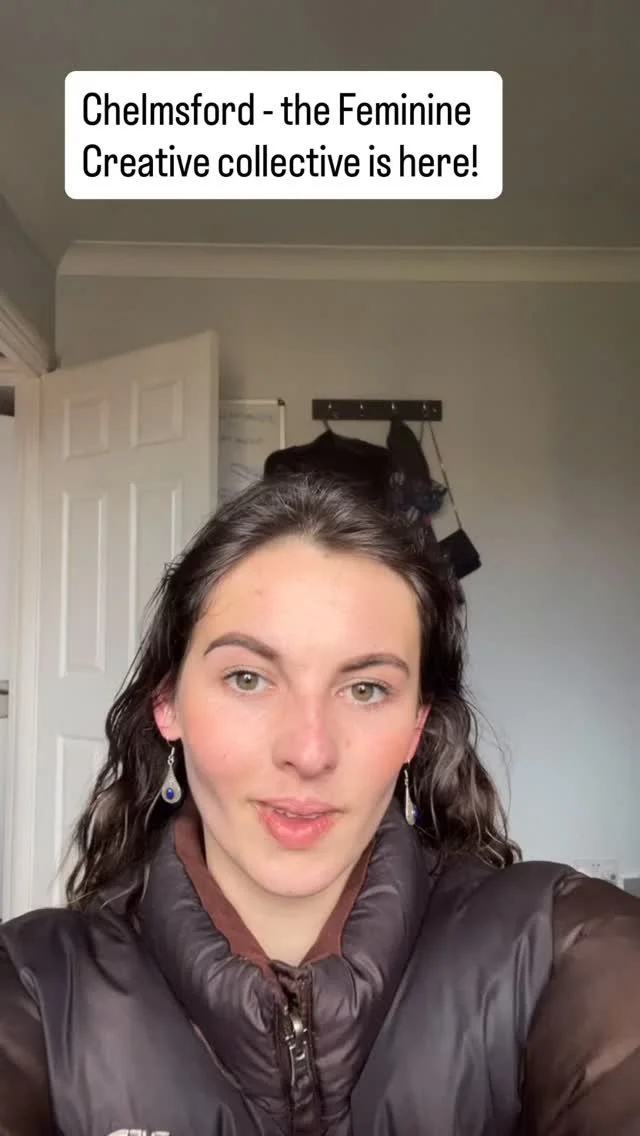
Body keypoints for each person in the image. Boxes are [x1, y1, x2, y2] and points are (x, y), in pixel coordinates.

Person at [1, 472, 639, 1136]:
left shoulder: (562, 951)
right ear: (168, 705)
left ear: (416, 727)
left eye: (365, 689)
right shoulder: (34, 991)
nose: (309, 752)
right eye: (248, 678)